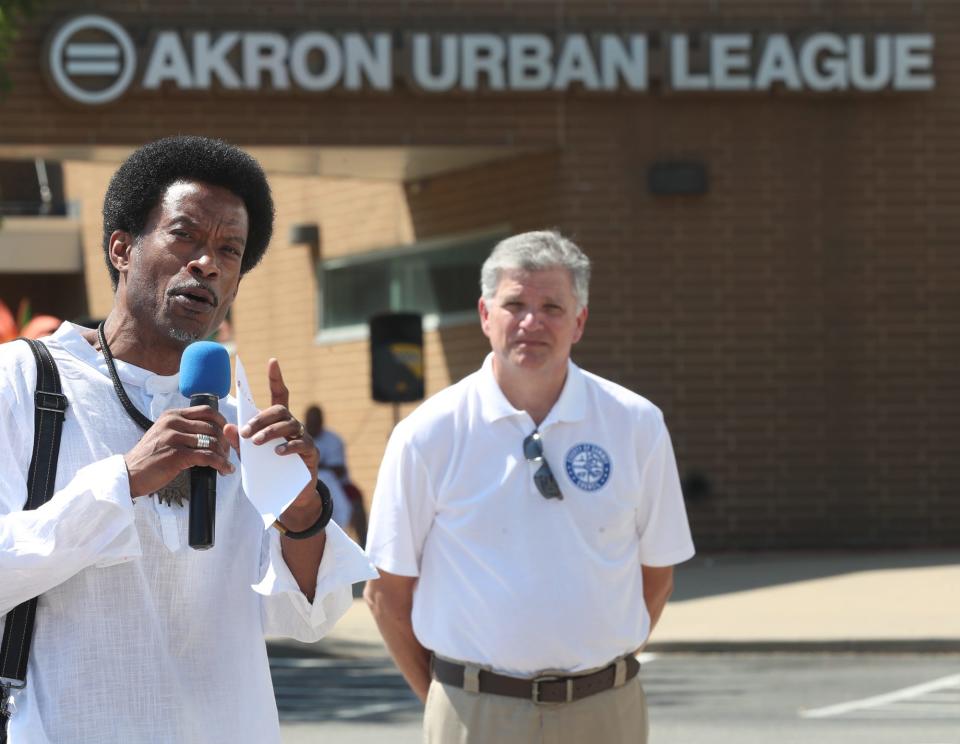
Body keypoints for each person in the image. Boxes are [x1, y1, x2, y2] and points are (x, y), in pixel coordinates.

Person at [0, 136, 376, 743]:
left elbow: (303, 617)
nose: (209, 263)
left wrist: (302, 509)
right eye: (186, 236)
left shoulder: (240, 415)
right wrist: (122, 481)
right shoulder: (24, 382)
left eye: (230, 251)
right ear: (122, 248)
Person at [363, 230, 695, 744]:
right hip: (475, 714)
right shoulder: (426, 434)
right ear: (484, 315)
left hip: (608, 712)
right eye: (514, 303)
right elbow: (386, 592)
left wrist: (593, 668)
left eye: (552, 307)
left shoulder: (637, 424)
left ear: (579, 321)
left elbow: (658, 577)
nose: (531, 322)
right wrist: (451, 702)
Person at [305, 405, 368, 545]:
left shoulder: (333, 440)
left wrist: (316, 465)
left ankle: (363, 543)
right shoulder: (299, 437)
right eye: (310, 422)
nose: (313, 426)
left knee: (356, 498)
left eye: (316, 422)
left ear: (321, 422)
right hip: (305, 483)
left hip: (336, 485)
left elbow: (339, 470)